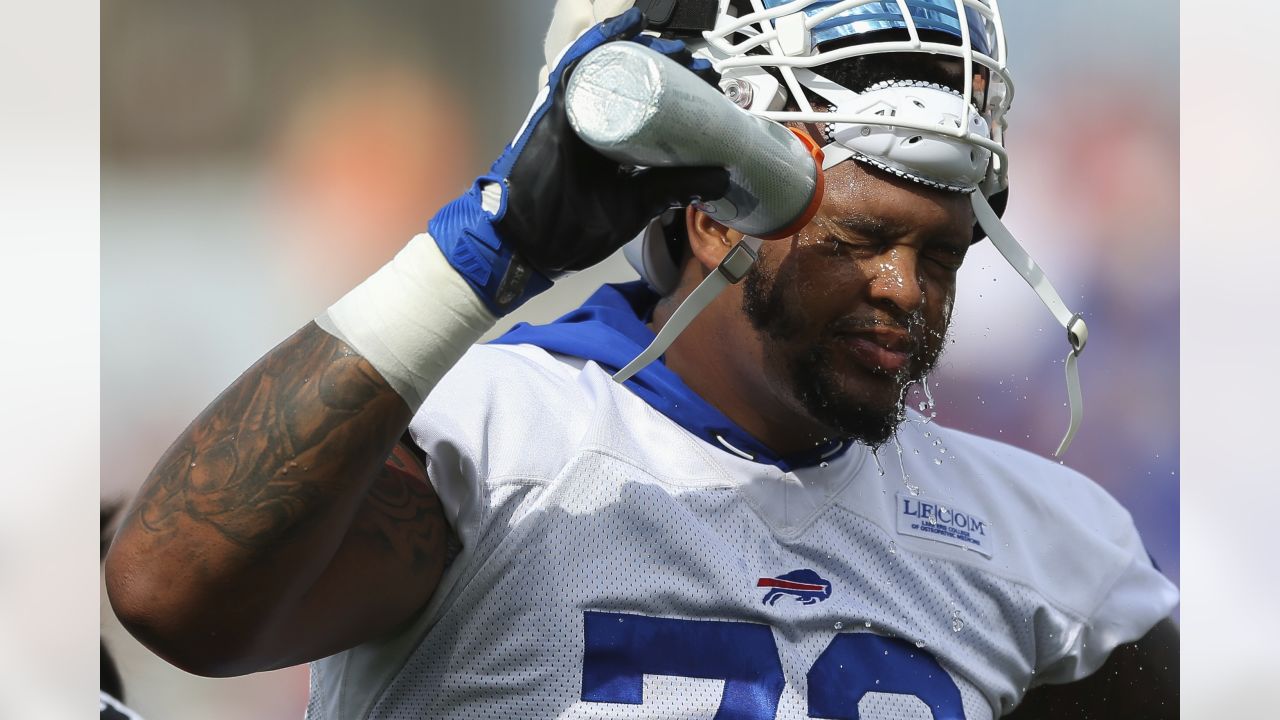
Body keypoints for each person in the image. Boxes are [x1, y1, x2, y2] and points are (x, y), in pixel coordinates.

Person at [105, 1, 1179, 717]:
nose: (904, 290)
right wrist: (484, 251)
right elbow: (168, 592)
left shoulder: (1045, 545)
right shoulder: (494, 450)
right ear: (711, 217)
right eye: (856, 241)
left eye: (938, 253)